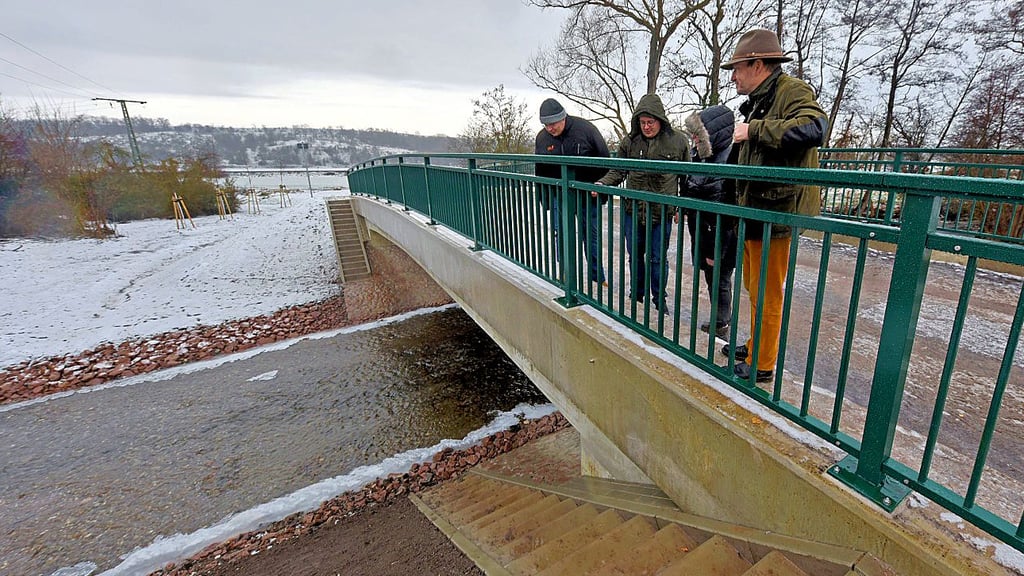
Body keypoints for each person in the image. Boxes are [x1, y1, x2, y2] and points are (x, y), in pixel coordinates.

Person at [721, 28, 827, 383]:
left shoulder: (791, 91)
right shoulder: (760, 101)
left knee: (767, 291)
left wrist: (752, 130)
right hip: (756, 208)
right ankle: (755, 346)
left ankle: (762, 364)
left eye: (737, 68)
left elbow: (814, 129)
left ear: (758, 64)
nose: (733, 76)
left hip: (777, 211)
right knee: (754, 285)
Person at [596, 93, 688, 313]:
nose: (646, 127)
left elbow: (687, 176)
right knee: (635, 256)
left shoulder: (678, 141)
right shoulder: (630, 142)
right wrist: (602, 183)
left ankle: (659, 299)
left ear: (660, 120)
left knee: (658, 258)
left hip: (661, 210)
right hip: (633, 210)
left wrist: (681, 206)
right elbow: (618, 170)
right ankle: (636, 296)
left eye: (650, 122)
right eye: (642, 122)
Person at [534, 98, 611, 286]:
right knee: (561, 234)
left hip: (586, 194)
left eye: (552, 124)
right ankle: (565, 274)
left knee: (591, 236)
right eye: (546, 125)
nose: (550, 129)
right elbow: (540, 170)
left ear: (563, 118)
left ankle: (597, 278)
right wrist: (544, 199)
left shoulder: (586, 130)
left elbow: (605, 160)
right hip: (560, 196)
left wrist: (600, 188)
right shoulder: (542, 138)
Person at [681, 105, 737, 339]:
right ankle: (720, 319)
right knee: (711, 277)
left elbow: (727, 207)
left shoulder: (730, 159)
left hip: (720, 233)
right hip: (702, 228)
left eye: (698, 134)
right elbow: (690, 185)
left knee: (720, 279)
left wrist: (717, 247)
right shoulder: (700, 154)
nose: (694, 139)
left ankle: (722, 323)